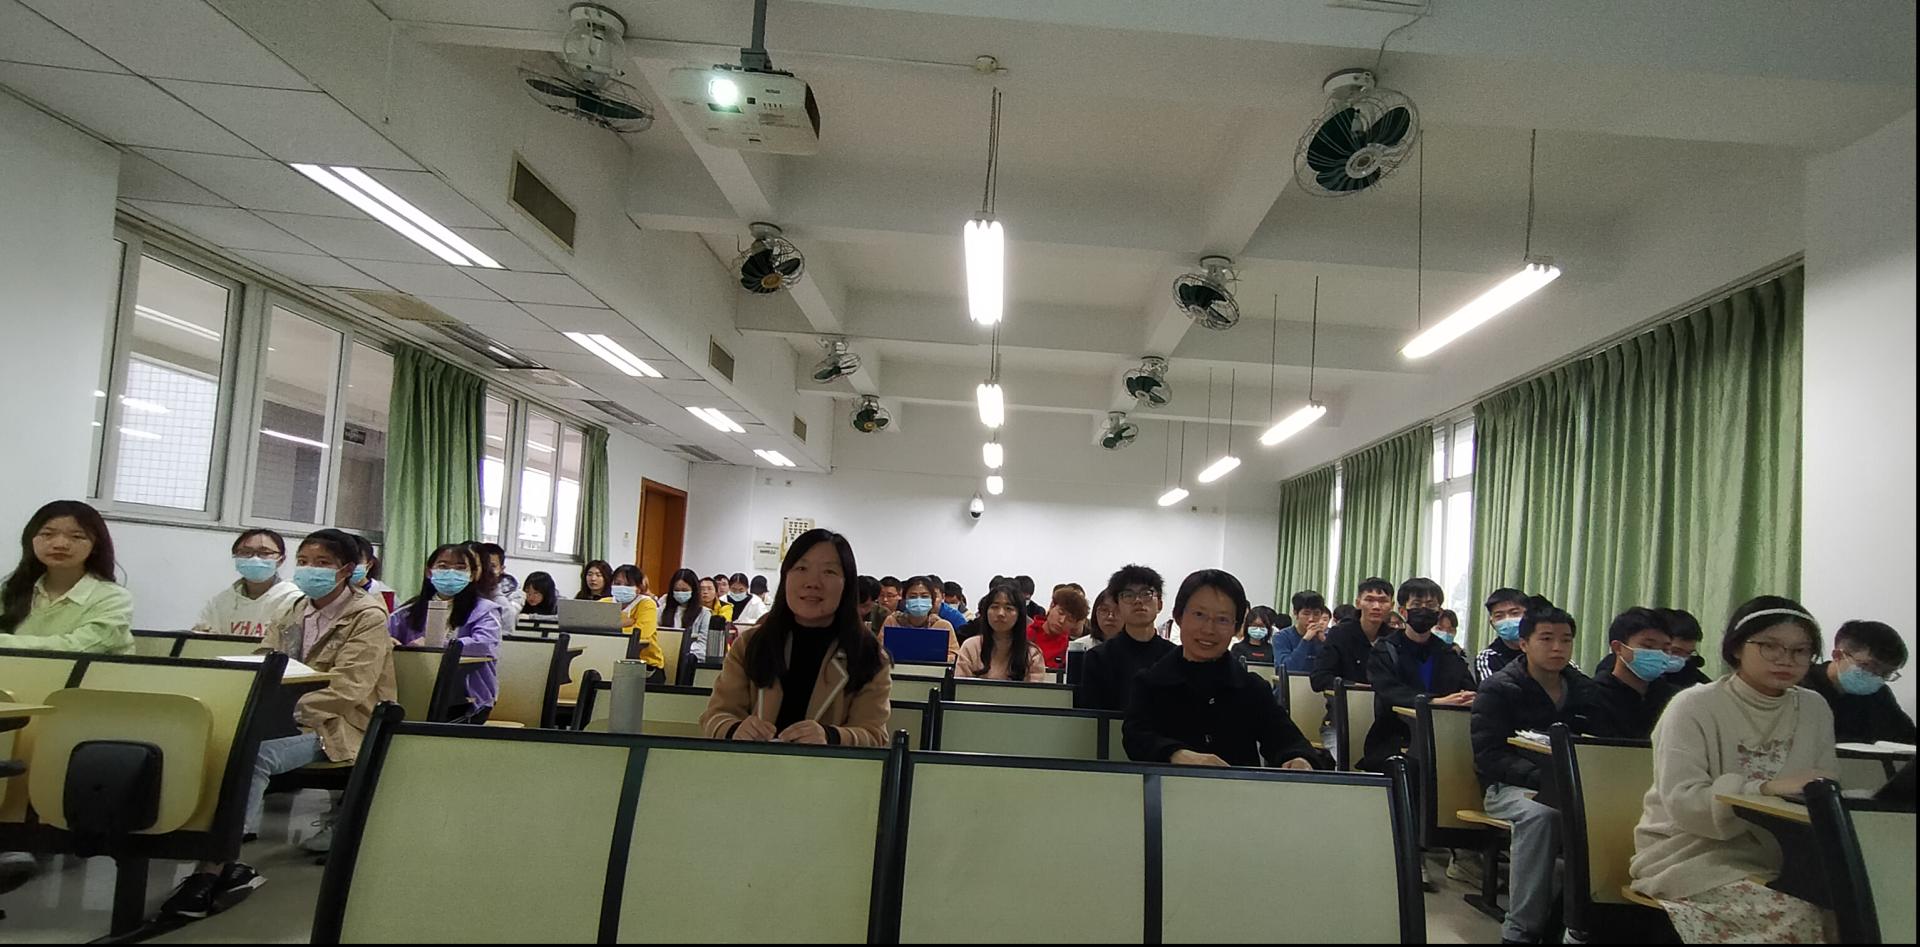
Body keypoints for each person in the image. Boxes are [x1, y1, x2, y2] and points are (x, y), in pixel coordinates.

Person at [161, 528, 394, 918]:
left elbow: (351, 687)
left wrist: (288, 712)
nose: (310, 569)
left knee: (254, 755)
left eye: (322, 563)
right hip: (286, 714)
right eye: (303, 561)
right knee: (213, 741)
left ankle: (213, 866)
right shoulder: (296, 608)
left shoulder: (367, 616)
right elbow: (266, 658)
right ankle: (201, 845)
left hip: (339, 724)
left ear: (345, 570)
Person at [1628, 596, 1838, 944]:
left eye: (1800, 651)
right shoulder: (1693, 705)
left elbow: (1824, 789)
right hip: (1690, 855)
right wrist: (1764, 789)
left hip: (1783, 855)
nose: (1786, 659)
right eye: (1770, 646)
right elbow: (1683, 802)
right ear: (1737, 647)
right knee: (1799, 916)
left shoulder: (1815, 708)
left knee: (1859, 907)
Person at [1469, 597, 1597, 944]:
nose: (1558, 648)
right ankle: (1519, 931)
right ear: (1524, 643)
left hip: (1573, 787)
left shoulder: (1584, 689)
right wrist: (1546, 781)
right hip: (1508, 787)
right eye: (1547, 639)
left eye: (1566, 640)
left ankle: (1581, 925)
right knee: (1542, 815)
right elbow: (1489, 755)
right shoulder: (1498, 687)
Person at [699, 528, 891, 745]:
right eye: (801, 568)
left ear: (847, 584)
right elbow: (715, 716)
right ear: (785, 577)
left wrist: (831, 737)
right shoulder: (751, 643)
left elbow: (873, 734)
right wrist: (735, 729)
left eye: (829, 572)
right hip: (751, 764)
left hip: (827, 767)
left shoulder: (867, 654)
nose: (812, 582)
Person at [1123, 569, 1325, 769]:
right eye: (1199, 615)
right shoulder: (1150, 683)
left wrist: (1299, 759)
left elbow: (1288, 739)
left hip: (1237, 789)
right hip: (1166, 788)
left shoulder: (1252, 688)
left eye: (1222, 619)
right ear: (1178, 617)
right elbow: (1136, 738)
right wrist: (1175, 754)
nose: (1209, 629)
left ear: (1236, 627)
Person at [0, 500, 133, 654]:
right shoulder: (12, 590)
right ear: (31, 540)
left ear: (95, 545)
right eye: (47, 534)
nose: (60, 544)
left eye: (76, 536)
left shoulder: (113, 598)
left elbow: (79, 648)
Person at [387, 544, 501, 722]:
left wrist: (437, 644)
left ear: (472, 575)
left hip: (468, 697)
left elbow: (485, 644)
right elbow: (383, 636)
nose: (451, 572)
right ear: (429, 572)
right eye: (443, 566)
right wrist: (389, 642)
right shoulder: (408, 612)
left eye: (460, 568)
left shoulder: (485, 610)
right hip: (414, 689)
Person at [1361, 600, 1476, 772]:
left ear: (1438, 612)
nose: (1423, 611)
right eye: (1416, 605)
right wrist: (1431, 702)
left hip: (1449, 735)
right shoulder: (1386, 650)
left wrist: (1467, 698)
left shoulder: (1447, 652)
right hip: (1397, 736)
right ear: (1403, 611)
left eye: (1430, 605)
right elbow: (1388, 691)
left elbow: (1468, 687)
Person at [1074, 565, 1177, 711]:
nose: (1138, 601)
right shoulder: (1098, 658)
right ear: (1118, 606)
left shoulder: (1175, 657)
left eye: (1146, 594)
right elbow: (1092, 717)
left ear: (1159, 604)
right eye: (1128, 595)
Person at [1801, 619, 1915, 744]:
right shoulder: (1801, 685)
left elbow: (1908, 738)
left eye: (1885, 673)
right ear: (1838, 656)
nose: (1876, 676)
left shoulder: (1879, 694)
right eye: (1869, 666)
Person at [1586, 607, 1685, 739]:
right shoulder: (1592, 696)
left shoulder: (1674, 698)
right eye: (1648, 646)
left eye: (1665, 649)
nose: (1658, 654)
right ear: (1618, 647)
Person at [192, 528, 303, 638]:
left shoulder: (293, 600)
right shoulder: (220, 602)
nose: (254, 558)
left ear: (281, 560)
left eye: (264, 553)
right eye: (245, 552)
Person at [1310, 577, 1396, 692]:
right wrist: (1353, 686)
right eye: (1369, 600)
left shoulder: (1394, 638)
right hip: (1347, 700)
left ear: (1392, 605)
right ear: (1358, 603)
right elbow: (1319, 678)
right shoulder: (1340, 633)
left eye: (1383, 601)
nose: (1376, 606)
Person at [1595, 606, 1713, 689]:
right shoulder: (1603, 682)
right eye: (1675, 651)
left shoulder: (1688, 676)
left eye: (1687, 654)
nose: (1680, 659)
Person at [954, 583, 1048, 681]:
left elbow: (1034, 690)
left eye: (1008, 608)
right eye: (995, 607)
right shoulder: (971, 647)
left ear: (1019, 615)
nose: (1000, 613)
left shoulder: (1032, 654)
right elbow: (960, 687)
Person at [606, 565, 664, 682]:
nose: (622, 587)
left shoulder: (647, 604)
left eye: (628, 585)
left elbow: (642, 634)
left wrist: (611, 626)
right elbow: (592, 628)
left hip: (645, 665)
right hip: (609, 661)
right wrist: (625, 623)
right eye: (617, 583)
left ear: (639, 587)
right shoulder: (604, 603)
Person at [880, 575, 958, 661]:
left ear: (932, 599)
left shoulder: (943, 626)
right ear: (904, 599)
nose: (918, 600)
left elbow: (953, 656)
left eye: (924, 596)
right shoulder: (892, 621)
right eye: (913, 596)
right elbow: (879, 651)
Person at [1473, 587, 1530, 684]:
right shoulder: (1489, 657)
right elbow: (1494, 690)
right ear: (1492, 623)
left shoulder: (1541, 649)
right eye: (1499, 616)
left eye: (1514, 613)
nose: (1507, 619)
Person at [1027, 584, 1088, 671]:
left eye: (1070, 619)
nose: (1062, 620)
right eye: (1060, 613)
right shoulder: (1024, 634)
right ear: (1052, 606)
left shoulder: (1070, 650)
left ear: (1075, 624)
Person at [659, 568, 715, 659]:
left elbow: (703, 645)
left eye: (685, 590)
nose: (680, 593)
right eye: (677, 590)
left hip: (690, 659)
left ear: (694, 590)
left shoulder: (704, 614)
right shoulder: (662, 610)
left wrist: (681, 650)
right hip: (663, 656)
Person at [1272, 591, 1333, 673]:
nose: (1311, 619)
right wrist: (1305, 640)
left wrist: (1324, 642)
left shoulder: (1327, 638)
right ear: (1296, 613)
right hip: (1292, 681)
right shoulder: (1281, 637)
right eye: (1306, 614)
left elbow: (1333, 668)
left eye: (1316, 614)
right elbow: (1287, 669)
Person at [348, 534, 394, 610]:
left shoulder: (385, 594)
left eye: (357, 561)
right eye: (345, 561)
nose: (350, 566)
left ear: (369, 564)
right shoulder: (331, 590)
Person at [1069, 589, 1122, 653]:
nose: (1110, 616)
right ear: (1095, 613)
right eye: (1104, 610)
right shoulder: (1080, 647)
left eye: (1118, 610)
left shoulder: (1132, 648)